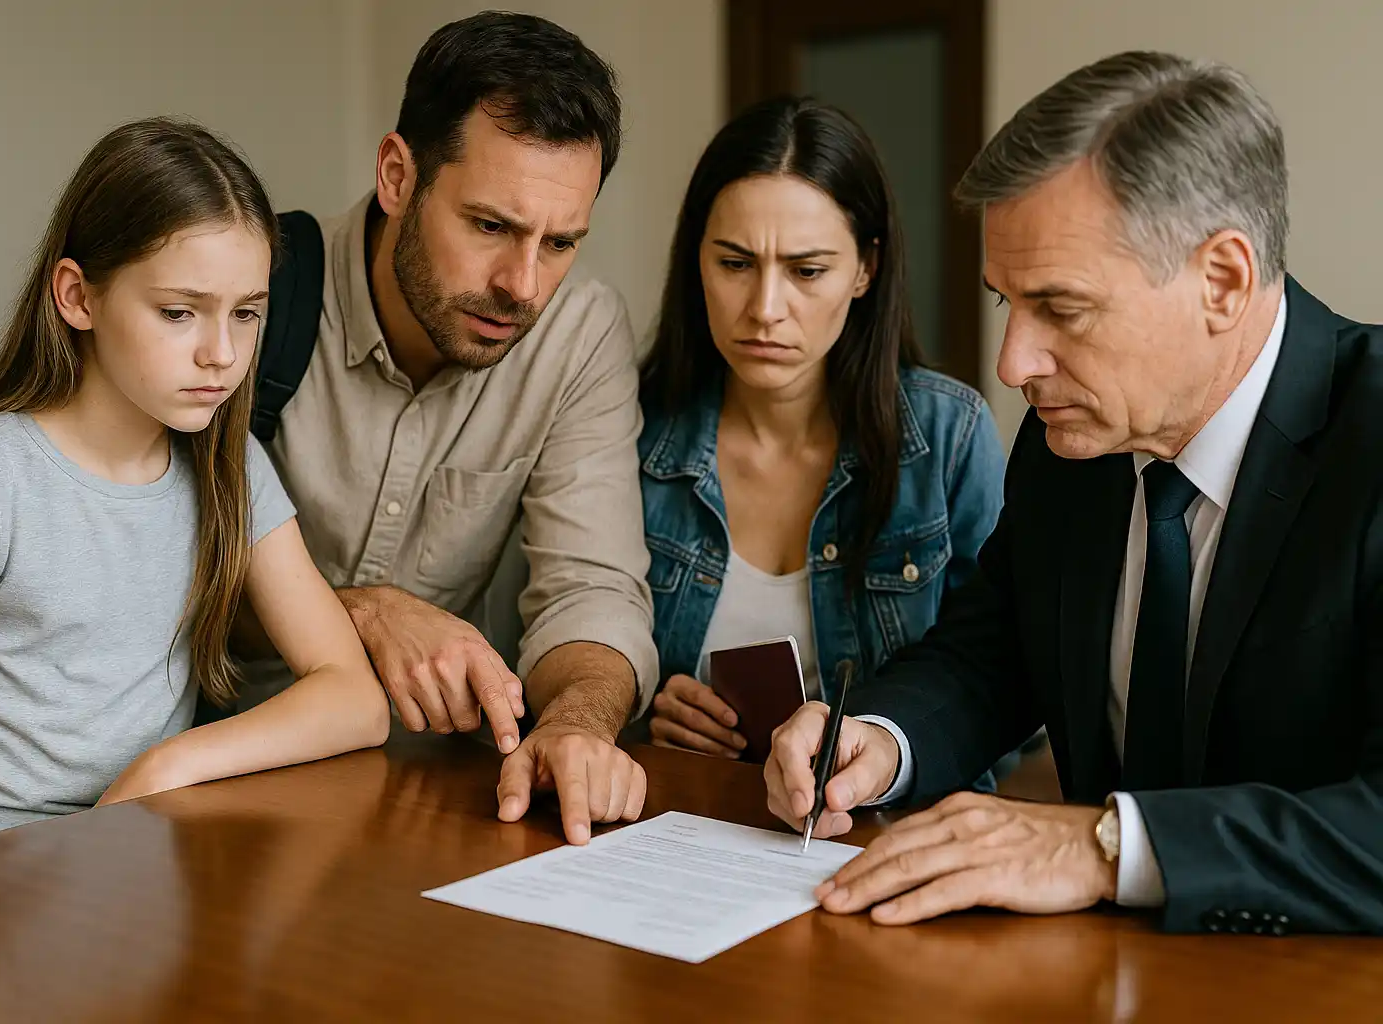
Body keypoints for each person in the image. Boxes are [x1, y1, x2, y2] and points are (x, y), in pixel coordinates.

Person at [766, 51, 1383, 934]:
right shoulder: (1075, 439)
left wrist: (1100, 845)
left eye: (1063, 309)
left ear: (1224, 281)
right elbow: (996, 654)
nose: (1014, 364)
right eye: (1006, 304)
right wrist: (880, 741)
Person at [0, 118, 391, 865]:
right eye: (179, 313)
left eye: (246, 313)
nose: (222, 354)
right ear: (77, 296)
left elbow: (355, 700)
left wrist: (168, 765)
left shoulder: (228, 466)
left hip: (117, 854)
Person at [236, 12, 655, 845]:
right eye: (491, 226)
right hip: (206, 790)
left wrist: (576, 723)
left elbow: (592, 589)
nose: (524, 286)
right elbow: (143, 585)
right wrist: (357, 612)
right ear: (398, 175)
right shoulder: (247, 296)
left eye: (562, 241)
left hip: (422, 811)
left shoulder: (579, 333)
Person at [637, 97, 1005, 763]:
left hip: (880, 834)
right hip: (678, 826)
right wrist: (641, 711)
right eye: (735, 263)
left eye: (807, 271)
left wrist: (880, 745)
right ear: (696, 260)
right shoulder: (632, 432)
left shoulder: (950, 437)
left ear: (865, 268)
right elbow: (552, 657)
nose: (765, 309)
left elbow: (1013, 706)